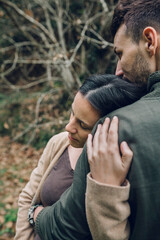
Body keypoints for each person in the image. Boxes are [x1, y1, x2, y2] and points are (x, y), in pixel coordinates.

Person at [33, 0, 160, 239]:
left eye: (120, 54)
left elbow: (67, 226)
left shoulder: (115, 129)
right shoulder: (58, 144)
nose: (118, 70)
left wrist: (35, 215)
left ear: (150, 41)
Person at [14, 74, 144, 240]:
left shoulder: (122, 167)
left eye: (82, 125)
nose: (69, 127)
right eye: (72, 113)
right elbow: (27, 198)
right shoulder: (59, 143)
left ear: (108, 129)